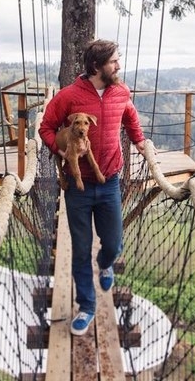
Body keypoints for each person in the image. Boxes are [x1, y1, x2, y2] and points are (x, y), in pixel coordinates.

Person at [39, 39, 146, 336]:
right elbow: (46, 127)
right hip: (78, 188)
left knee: (112, 243)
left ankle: (106, 263)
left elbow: (131, 119)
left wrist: (142, 144)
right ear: (97, 66)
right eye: (114, 61)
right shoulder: (68, 96)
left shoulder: (121, 91)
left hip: (110, 180)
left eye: (118, 59)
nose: (119, 65)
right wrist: (60, 153)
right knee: (81, 248)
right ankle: (86, 306)